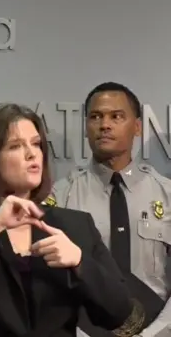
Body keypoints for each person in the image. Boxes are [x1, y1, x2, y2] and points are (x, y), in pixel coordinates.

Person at [0, 103, 141, 337]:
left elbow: (119, 312)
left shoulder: (74, 225)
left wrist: (80, 263)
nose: (31, 153)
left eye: (36, 144)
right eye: (15, 146)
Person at [52, 82, 171, 337]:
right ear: (86, 127)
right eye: (96, 117)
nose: (105, 124)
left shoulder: (168, 196)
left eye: (116, 116)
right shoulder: (60, 198)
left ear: (137, 126)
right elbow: (50, 287)